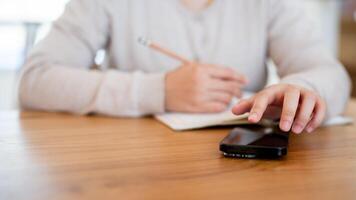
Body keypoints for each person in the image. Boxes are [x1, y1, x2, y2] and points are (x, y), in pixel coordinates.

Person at [18, 0, 351, 134]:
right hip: (133, 164)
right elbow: (36, 80)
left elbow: (330, 74)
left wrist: (305, 90)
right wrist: (158, 90)